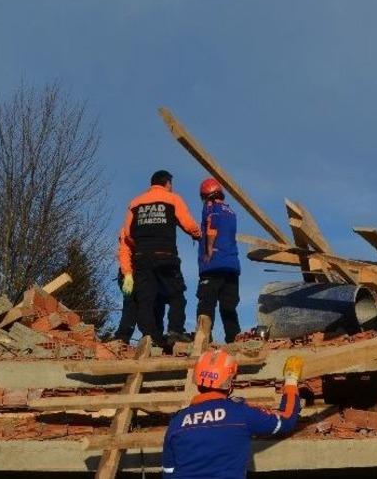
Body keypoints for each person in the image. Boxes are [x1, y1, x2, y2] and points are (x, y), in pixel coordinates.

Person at [163, 348, 304, 478]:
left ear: (198, 381)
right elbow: (287, 419)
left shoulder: (176, 423)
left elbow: (168, 472)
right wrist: (291, 380)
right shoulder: (241, 414)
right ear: (229, 382)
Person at [119, 170, 201, 346]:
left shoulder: (135, 202)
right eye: (170, 184)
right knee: (176, 296)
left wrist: (142, 246)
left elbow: (127, 234)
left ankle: (151, 337)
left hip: (141, 257)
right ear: (167, 183)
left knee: (146, 300)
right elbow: (188, 223)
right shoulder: (172, 199)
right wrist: (197, 234)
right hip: (165, 256)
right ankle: (175, 332)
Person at [195, 178, 242, 343]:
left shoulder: (210, 207)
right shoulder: (231, 211)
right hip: (231, 265)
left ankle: (202, 340)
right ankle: (234, 339)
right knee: (229, 306)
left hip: (213, 265)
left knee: (206, 304)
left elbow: (211, 227)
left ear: (206, 195)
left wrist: (208, 250)